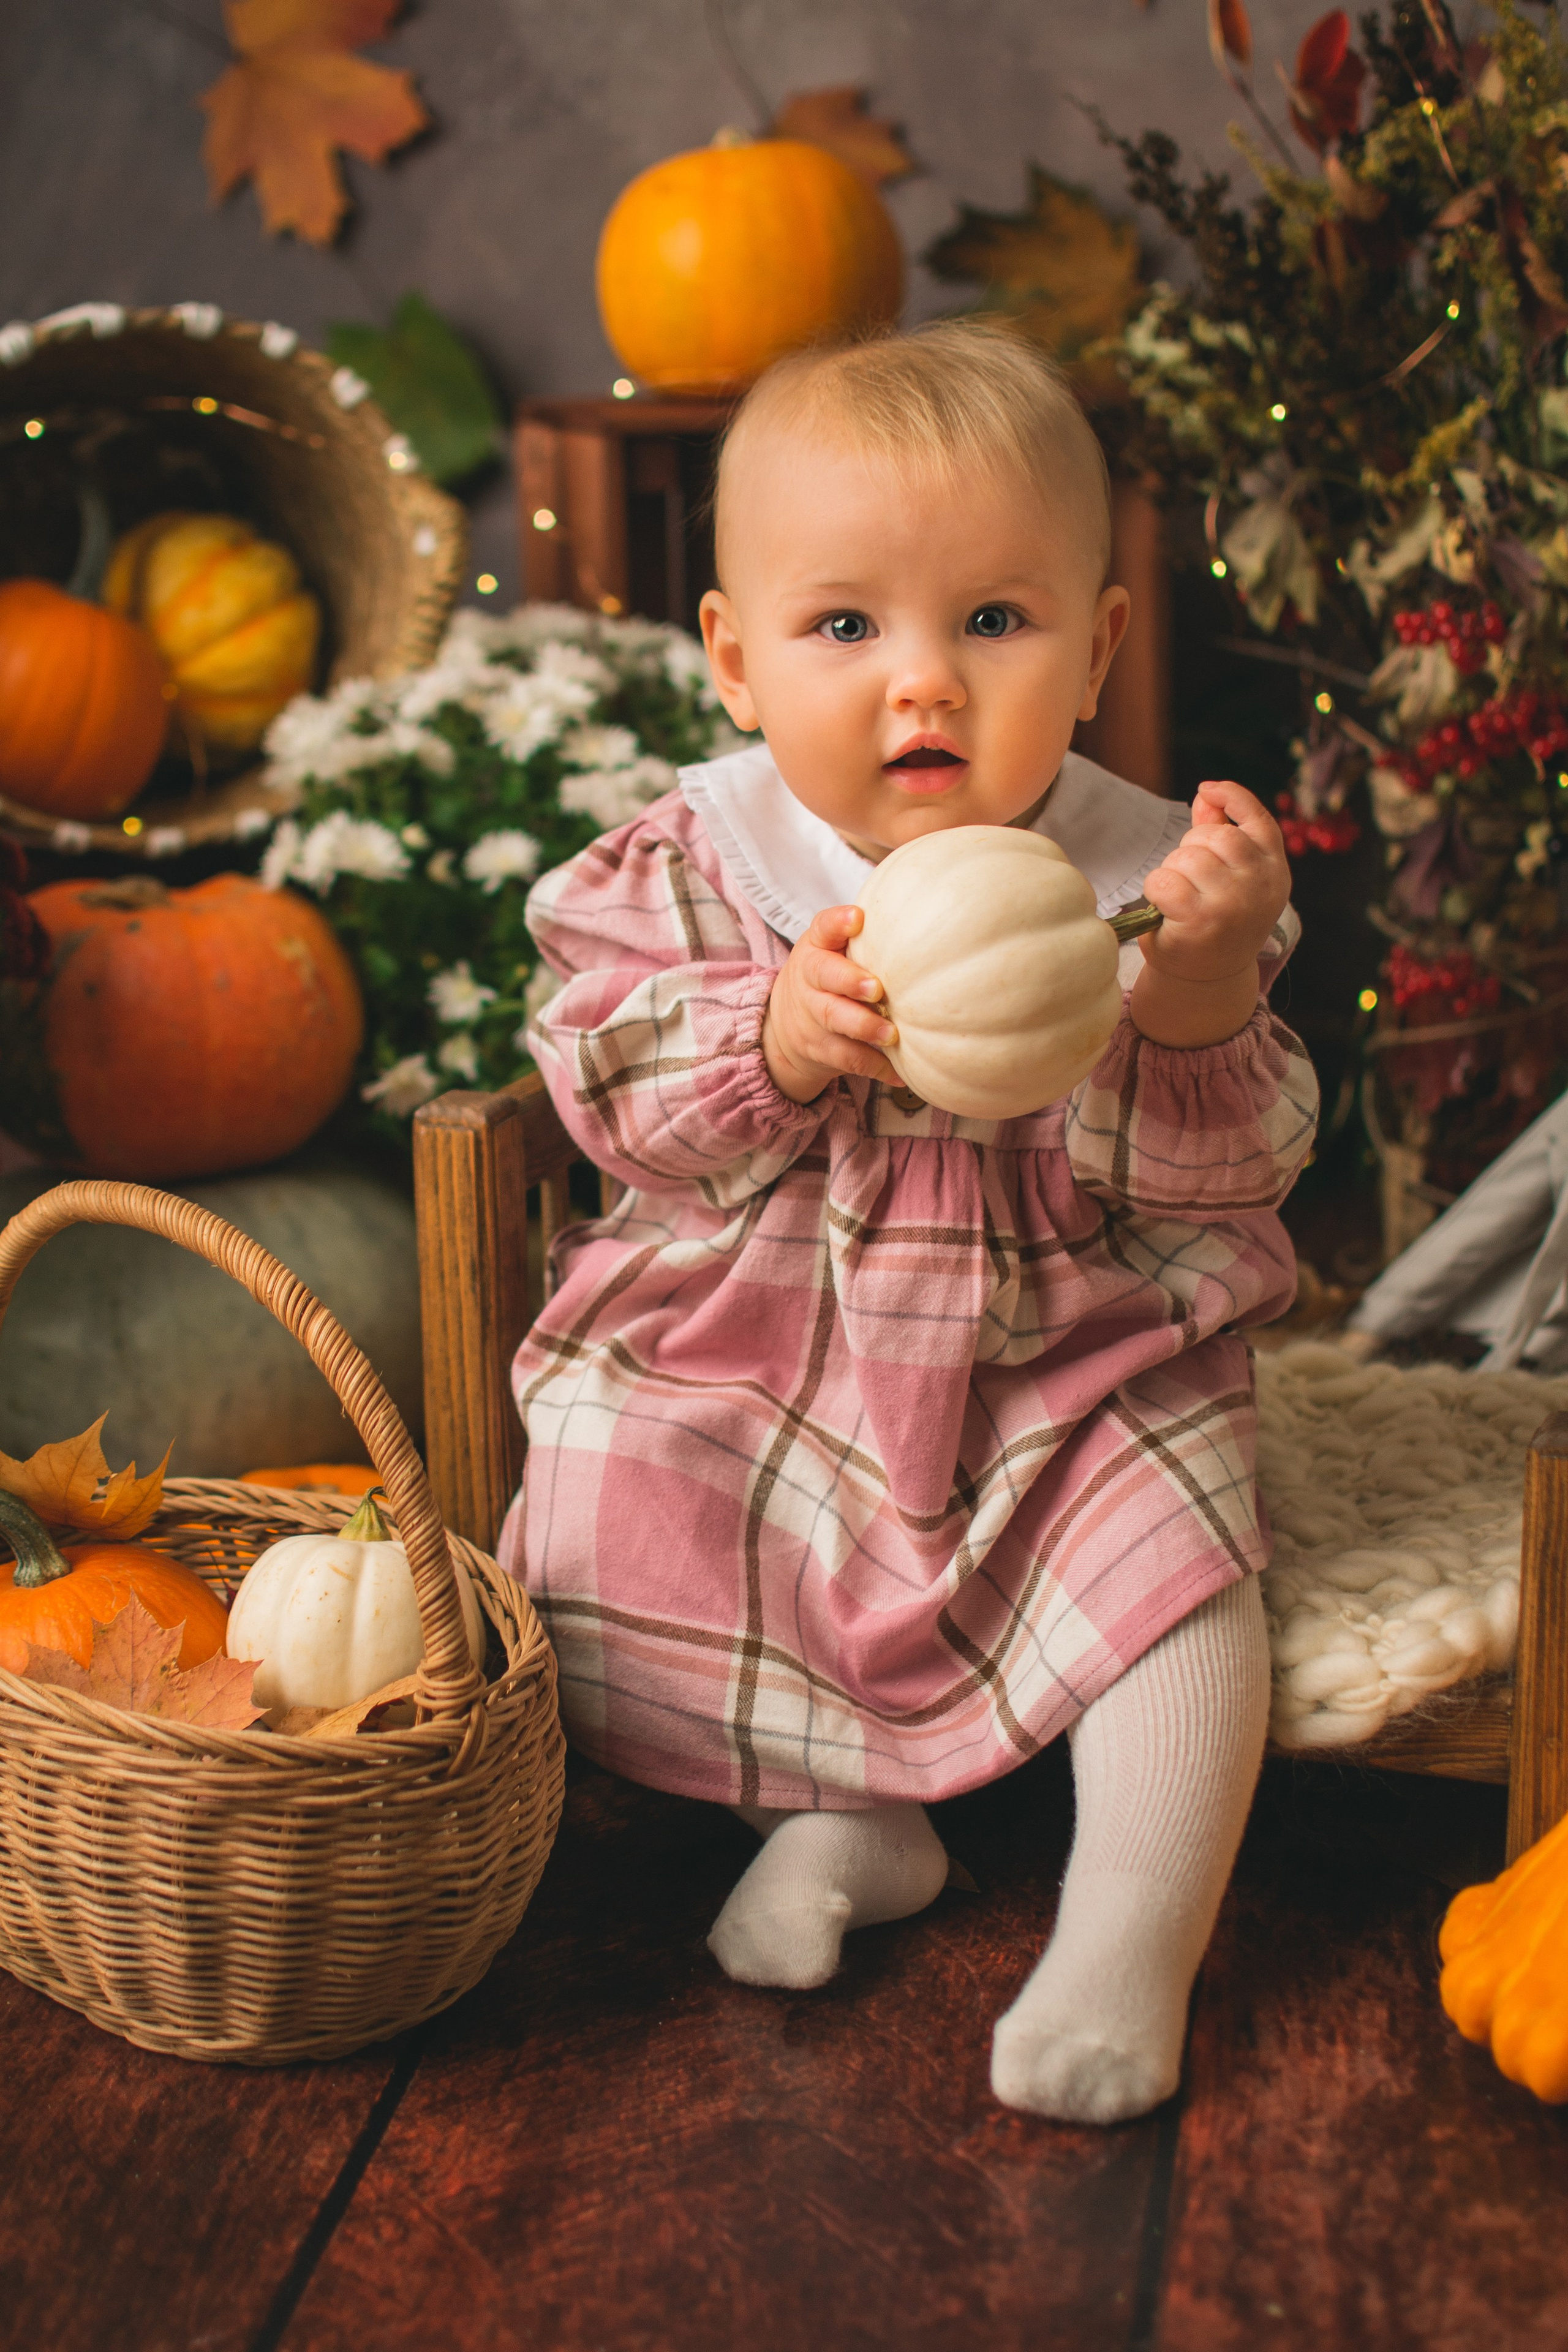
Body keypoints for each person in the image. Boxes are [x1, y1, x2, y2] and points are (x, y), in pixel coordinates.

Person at [501, 322, 1317, 2125]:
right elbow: (601, 1080)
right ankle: (841, 1818)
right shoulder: (702, 861)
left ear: (1098, 648)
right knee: (628, 1495)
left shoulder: (1154, 881)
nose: (924, 683)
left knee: (1178, 1564)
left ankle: (1128, 1937)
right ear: (735, 660)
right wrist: (775, 1039)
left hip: (1066, 1351)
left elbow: (1245, 1166)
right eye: (846, 626)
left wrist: (1190, 1004)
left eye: (995, 621)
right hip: (763, 1338)